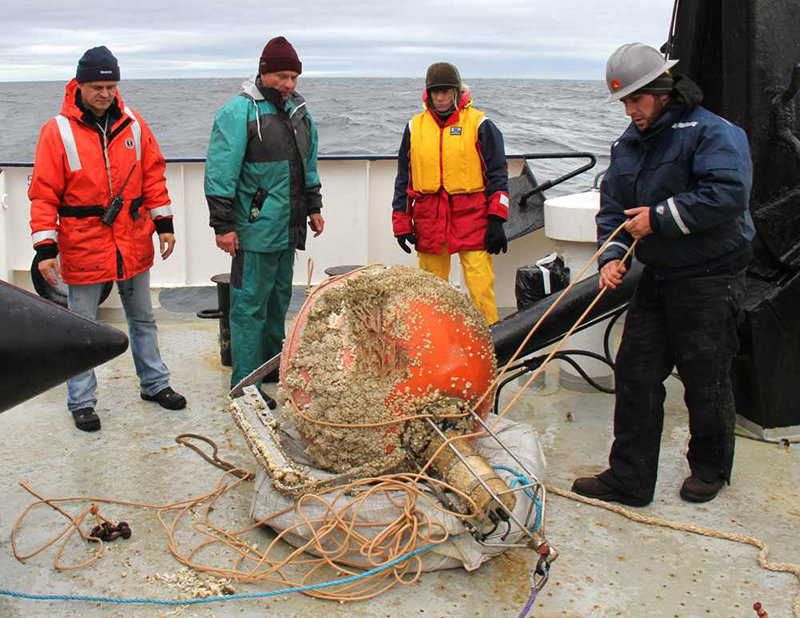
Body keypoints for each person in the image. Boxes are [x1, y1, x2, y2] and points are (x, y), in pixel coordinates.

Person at [572, 43, 754, 506]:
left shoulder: (713, 132)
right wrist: (613, 255)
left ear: (663, 90)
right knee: (635, 373)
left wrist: (659, 218)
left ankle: (709, 469)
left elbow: (728, 193)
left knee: (705, 375)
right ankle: (629, 479)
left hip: (711, 275)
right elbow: (612, 208)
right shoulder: (627, 145)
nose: (630, 110)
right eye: (624, 102)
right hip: (660, 275)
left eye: (637, 99)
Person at [29, 46, 187, 432]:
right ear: (79, 86)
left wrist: (163, 223)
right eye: (98, 86)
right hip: (82, 244)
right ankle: (81, 401)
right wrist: (46, 247)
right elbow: (44, 192)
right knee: (81, 326)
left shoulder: (134, 124)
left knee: (144, 318)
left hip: (132, 240)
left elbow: (153, 174)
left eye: (111, 86)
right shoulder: (56, 131)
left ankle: (155, 384)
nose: (105, 93)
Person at [205, 36, 324, 388]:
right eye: (282, 77)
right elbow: (220, 173)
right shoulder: (237, 113)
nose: (289, 85)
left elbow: (309, 165)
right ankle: (246, 385)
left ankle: (273, 369)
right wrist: (224, 226)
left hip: (287, 229)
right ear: (263, 73)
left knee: (277, 304)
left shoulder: (301, 114)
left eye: (294, 78)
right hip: (254, 231)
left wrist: (314, 206)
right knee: (248, 309)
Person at [391, 62, 509, 325]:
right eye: (436, 92)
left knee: (480, 287)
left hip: (472, 216)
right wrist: (400, 220)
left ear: (457, 92)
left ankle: (492, 347)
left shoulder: (480, 124)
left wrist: (497, 219)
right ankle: (436, 347)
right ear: (428, 94)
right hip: (429, 218)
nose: (441, 97)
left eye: (446, 91)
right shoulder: (414, 127)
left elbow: (498, 174)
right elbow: (403, 178)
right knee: (431, 292)